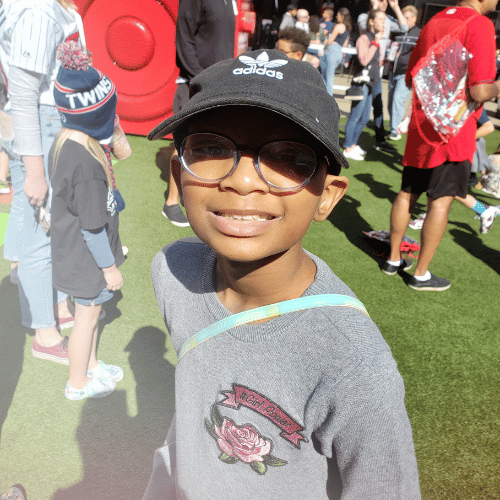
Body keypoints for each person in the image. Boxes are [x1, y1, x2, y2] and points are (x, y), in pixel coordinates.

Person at [142, 48, 421, 499]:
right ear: (178, 173)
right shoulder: (173, 271)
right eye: (211, 148)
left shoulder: (355, 365)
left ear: (327, 197)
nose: (244, 181)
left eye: (290, 156)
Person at [384, 0, 500, 290]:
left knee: (407, 192)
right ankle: (421, 273)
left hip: (421, 127)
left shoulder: (433, 21)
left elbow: (412, 78)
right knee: (441, 200)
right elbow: (481, 89)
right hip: (453, 132)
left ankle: (393, 259)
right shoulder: (481, 24)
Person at [1, 0, 90, 364]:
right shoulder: (38, 10)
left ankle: (50, 302)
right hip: (42, 120)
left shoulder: (45, 7)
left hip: (44, 117)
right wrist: (35, 171)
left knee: (44, 225)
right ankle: (45, 333)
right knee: (44, 232)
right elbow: (23, 96)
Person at [50, 41, 125, 400]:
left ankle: (91, 367)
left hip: (72, 254)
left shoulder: (66, 142)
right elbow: (93, 228)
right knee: (87, 320)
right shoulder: (89, 168)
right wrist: (109, 268)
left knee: (91, 315)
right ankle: (77, 383)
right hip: (87, 259)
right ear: (99, 116)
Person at [161, 0, 236, 227]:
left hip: (220, 84)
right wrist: (200, 79)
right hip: (194, 85)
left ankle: (210, 201)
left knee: (218, 143)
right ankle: (171, 203)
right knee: (185, 142)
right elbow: (183, 40)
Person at [358, 0, 408, 153]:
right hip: (366, 69)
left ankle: (378, 139)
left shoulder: (388, 19)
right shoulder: (363, 17)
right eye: (381, 0)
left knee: (377, 105)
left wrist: (396, 7)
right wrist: (374, 8)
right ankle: (350, 144)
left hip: (378, 68)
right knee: (361, 107)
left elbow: (404, 27)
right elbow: (365, 27)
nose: (384, 2)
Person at [343, 9, 385, 161]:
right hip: (361, 83)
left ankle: (353, 144)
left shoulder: (374, 38)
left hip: (370, 83)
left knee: (364, 118)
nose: (383, 22)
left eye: (384, 20)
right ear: (371, 21)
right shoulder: (365, 38)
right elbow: (363, 60)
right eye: (380, 19)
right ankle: (347, 147)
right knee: (355, 117)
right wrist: (376, 43)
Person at [387, 5, 420, 141]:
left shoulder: (418, 33)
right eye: (403, 17)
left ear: (414, 18)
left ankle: (395, 130)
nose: (404, 20)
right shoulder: (399, 31)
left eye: (407, 18)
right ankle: (397, 125)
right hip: (392, 71)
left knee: (397, 99)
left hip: (406, 73)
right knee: (391, 102)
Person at [321, 7, 352, 96]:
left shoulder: (339, 26)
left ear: (342, 16)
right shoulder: (347, 28)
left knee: (327, 77)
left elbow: (331, 39)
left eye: (338, 15)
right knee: (329, 76)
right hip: (338, 53)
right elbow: (345, 45)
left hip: (332, 50)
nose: (336, 17)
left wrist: (324, 46)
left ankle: (327, 98)